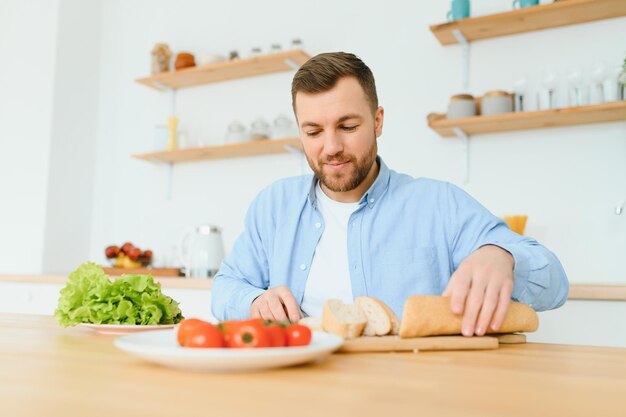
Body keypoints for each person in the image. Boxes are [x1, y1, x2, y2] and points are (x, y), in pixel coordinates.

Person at [211, 52, 568, 337]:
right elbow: (225, 288)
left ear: (378, 120)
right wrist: (255, 300)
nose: (331, 147)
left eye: (348, 126)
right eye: (314, 131)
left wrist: (502, 255)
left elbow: (555, 285)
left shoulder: (437, 204)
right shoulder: (273, 207)